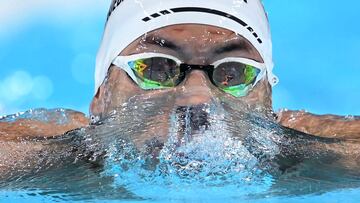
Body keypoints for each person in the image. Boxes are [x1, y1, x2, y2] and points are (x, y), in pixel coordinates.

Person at [1, 0, 359, 169]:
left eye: (233, 73)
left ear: (268, 103)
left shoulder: (315, 158)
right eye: (156, 68)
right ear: (100, 96)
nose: (198, 97)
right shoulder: (50, 159)